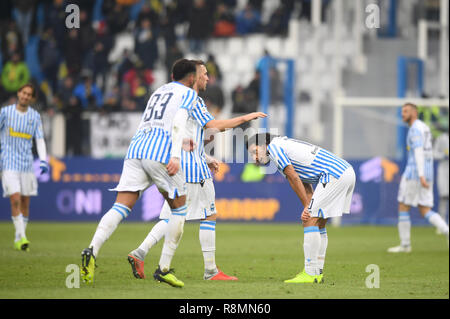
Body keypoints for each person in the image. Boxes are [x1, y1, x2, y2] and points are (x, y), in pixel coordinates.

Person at [127, 60, 267, 282]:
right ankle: (210, 271)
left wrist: (206, 156)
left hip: (180, 163)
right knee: (208, 214)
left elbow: (188, 135)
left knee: (170, 216)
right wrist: (244, 118)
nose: (207, 78)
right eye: (203, 74)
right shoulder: (193, 99)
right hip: (193, 170)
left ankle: (140, 253)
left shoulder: (175, 99)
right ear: (193, 77)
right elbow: (215, 126)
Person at [80, 59, 198, 287]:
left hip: (137, 149)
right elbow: (178, 123)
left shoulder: (158, 91)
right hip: (160, 154)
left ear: (172, 75)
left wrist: (181, 143)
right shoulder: (189, 93)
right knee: (180, 208)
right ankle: (163, 269)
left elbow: (157, 123)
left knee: (120, 206)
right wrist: (175, 154)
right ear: (191, 78)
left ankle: (92, 249)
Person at [247, 133, 356, 283]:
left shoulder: (274, 148)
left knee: (309, 220)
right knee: (319, 223)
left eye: (255, 152)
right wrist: (309, 204)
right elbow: (304, 179)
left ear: (264, 144)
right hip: (345, 171)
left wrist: (307, 206)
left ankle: (310, 273)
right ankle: (317, 272)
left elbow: (293, 178)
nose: (255, 158)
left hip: (334, 174)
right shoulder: (281, 145)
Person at [388, 103, 449, 253]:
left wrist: (420, 175)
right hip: (428, 172)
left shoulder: (415, 129)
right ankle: (447, 230)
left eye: (406, 111)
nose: (403, 114)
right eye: (402, 111)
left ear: (414, 113)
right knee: (425, 209)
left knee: (403, 205)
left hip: (415, 173)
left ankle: (405, 245)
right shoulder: (424, 127)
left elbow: (419, 151)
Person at [0, 83, 49, 251]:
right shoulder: (5, 113)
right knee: (15, 199)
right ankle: (22, 238)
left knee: (25, 203)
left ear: (32, 98)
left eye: (29, 94)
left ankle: (18, 237)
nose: (25, 96)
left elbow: (40, 139)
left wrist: (43, 160)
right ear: (18, 93)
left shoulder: (34, 116)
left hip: (27, 164)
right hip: (8, 163)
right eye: (23, 93)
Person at [433, 127, 449, 231]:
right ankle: (441, 225)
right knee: (444, 197)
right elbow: (433, 153)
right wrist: (443, 156)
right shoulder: (441, 138)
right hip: (444, 170)